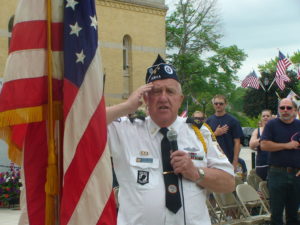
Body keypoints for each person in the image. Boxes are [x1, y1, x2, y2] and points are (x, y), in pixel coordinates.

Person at [106, 55, 235, 225]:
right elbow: (80, 123)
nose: (163, 97)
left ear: (180, 99)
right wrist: (127, 106)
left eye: (170, 91)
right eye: (156, 91)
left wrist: (196, 172)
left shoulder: (199, 131)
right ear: (145, 98)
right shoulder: (124, 130)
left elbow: (228, 183)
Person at [260, 98, 300, 225]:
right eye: (282, 108)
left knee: (293, 215)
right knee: (276, 215)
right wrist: (286, 145)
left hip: (296, 175)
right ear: (278, 110)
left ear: (295, 110)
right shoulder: (272, 125)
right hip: (277, 173)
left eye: (289, 108)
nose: (285, 110)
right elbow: (264, 145)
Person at [206, 95, 243, 171]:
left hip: (228, 159)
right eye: (216, 103)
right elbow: (204, 139)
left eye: (221, 103)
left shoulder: (233, 121)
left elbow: (237, 142)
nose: (218, 105)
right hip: (212, 160)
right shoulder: (208, 121)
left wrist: (235, 161)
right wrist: (215, 133)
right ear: (213, 105)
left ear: (225, 104)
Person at [249, 109, 272, 180]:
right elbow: (251, 145)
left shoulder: (276, 129)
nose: (265, 117)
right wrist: (262, 138)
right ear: (261, 118)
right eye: (263, 116)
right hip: (261, 165)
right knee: (261, 187)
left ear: (271, 117)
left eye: (268, 116)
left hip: (274, 165)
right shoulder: (257, 130)